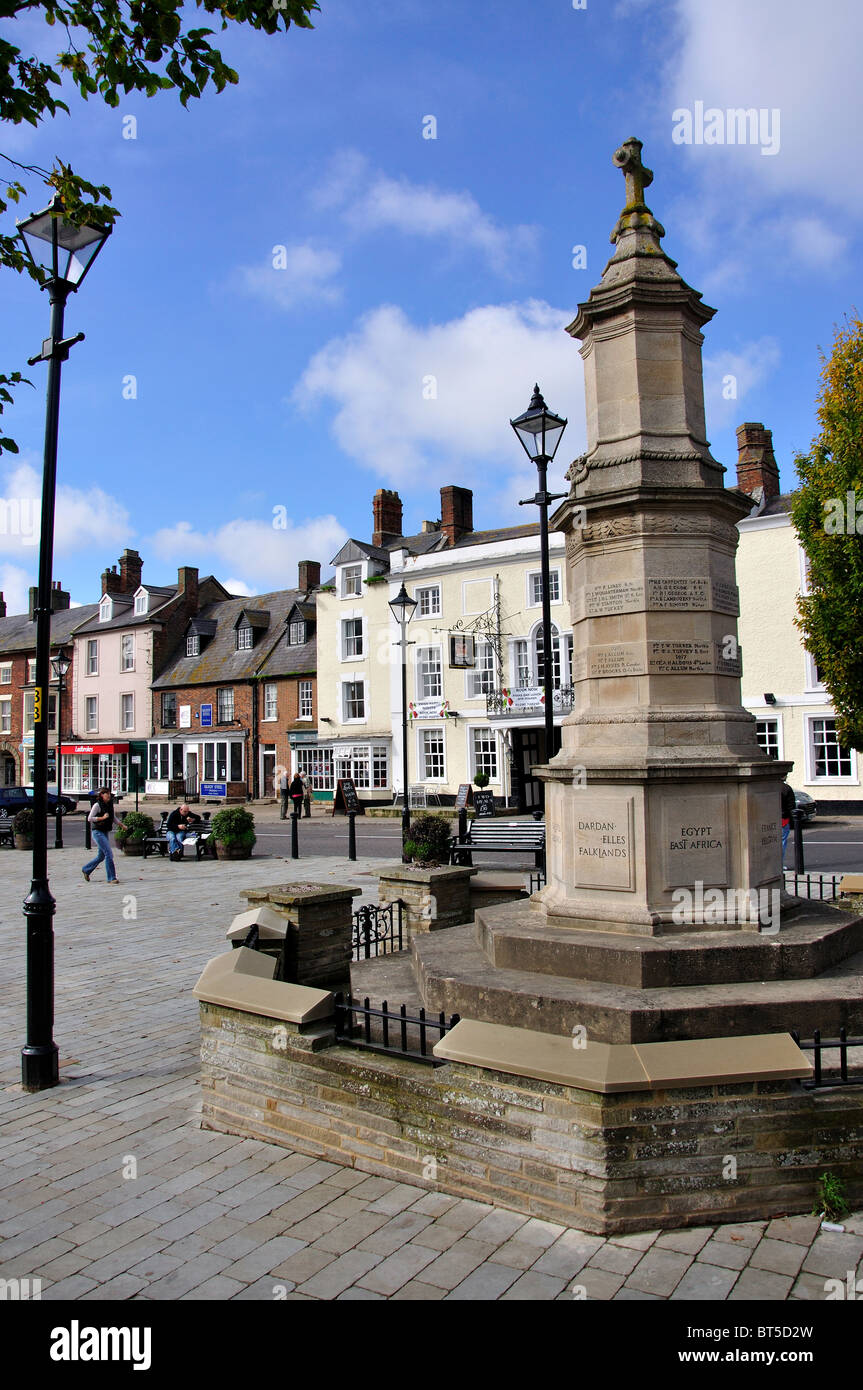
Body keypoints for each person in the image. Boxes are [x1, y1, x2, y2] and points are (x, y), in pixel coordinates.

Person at [82, 788, 118, 884]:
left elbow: (113, 817)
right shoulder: (97, 805)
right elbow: (90, 818)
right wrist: (102, 818)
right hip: (97, 832)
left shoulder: (109, 805)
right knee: (108, 853)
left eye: (109, 794)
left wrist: (122, 825)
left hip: (105, 831)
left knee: (101, 856)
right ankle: (111, 878)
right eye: (107, 794)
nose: (109, 796)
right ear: (102, 795)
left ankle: (86, 869)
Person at [781, 780, 796, 865]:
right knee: (782, 842)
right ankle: (780, 864)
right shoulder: (786, 788)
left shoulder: (769, 787)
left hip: (771, 818)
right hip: (783, 818)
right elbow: (791, 806)